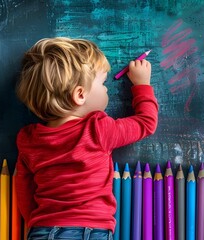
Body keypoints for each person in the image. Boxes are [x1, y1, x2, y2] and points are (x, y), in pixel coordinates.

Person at [14, 37, 158, 239]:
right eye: (103, 83)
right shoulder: (97, 128)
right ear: (80, 94)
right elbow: (145, 123)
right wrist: (142, 84)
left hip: (43, 230)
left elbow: (23, 186)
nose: (107, 89)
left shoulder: (28, 139)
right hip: (89, 230)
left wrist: (35, 223)